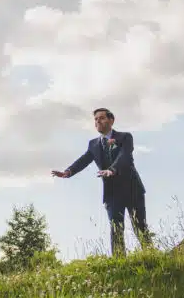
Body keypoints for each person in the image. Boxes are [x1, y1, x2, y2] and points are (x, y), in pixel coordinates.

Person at [52, 107, 152, 256]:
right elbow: (84, 160)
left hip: (132, 189)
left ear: (111, 120)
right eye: (96, 119)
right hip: (112, 193)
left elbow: (124, 157)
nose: (98, 121)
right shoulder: (93, 144)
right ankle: (119, 261)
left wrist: (112, 169)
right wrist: (68, 172)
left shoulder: (125, 137)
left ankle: (150, 255)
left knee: (140, 226)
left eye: (102, 118)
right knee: (115, 227)